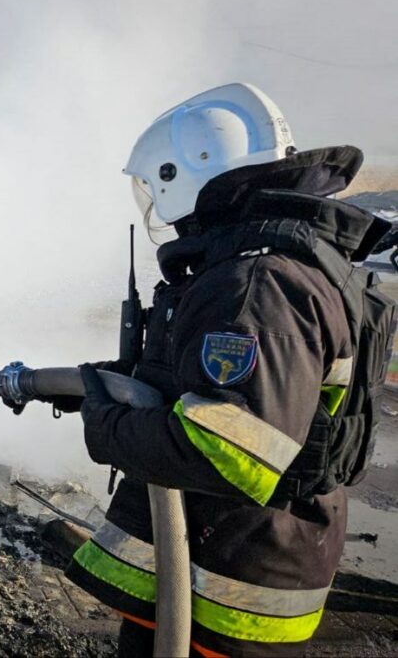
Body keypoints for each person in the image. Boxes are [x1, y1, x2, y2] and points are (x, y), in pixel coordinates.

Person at [60, 84, 394, 656]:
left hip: (227, 588)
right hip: (228, 567)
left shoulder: (258, 285)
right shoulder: (278, 265)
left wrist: (105, 423)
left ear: (187, 171)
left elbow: (226, 451)